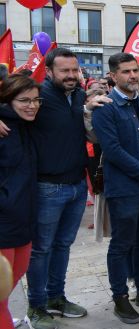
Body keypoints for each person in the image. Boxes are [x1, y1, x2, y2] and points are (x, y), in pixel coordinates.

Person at [20, 48, 109, 329]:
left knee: (62, 246)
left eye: (75, 70)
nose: (72, 76)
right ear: (49, 72)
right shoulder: (37, 97)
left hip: (76, 187)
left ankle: (56, 297)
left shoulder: (80, 97)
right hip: (46, 186)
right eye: (65, 71)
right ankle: (36, 306)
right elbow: (9, 107)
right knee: (41, 250)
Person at [92, 53, 139, 324]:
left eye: (136, 71)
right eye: (126, 72)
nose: (133, 76)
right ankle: (120, 298)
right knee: (123, 245)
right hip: (126, 190)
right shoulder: (106, 107)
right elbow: (113, 151)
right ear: (113, 76)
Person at [0, 75, 41, 329]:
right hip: (3, 220)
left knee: (15, 277)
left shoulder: (28, 124)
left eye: (36, 100)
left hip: (24, 219)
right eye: (24, 100)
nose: (32, 105)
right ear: (8, 100)